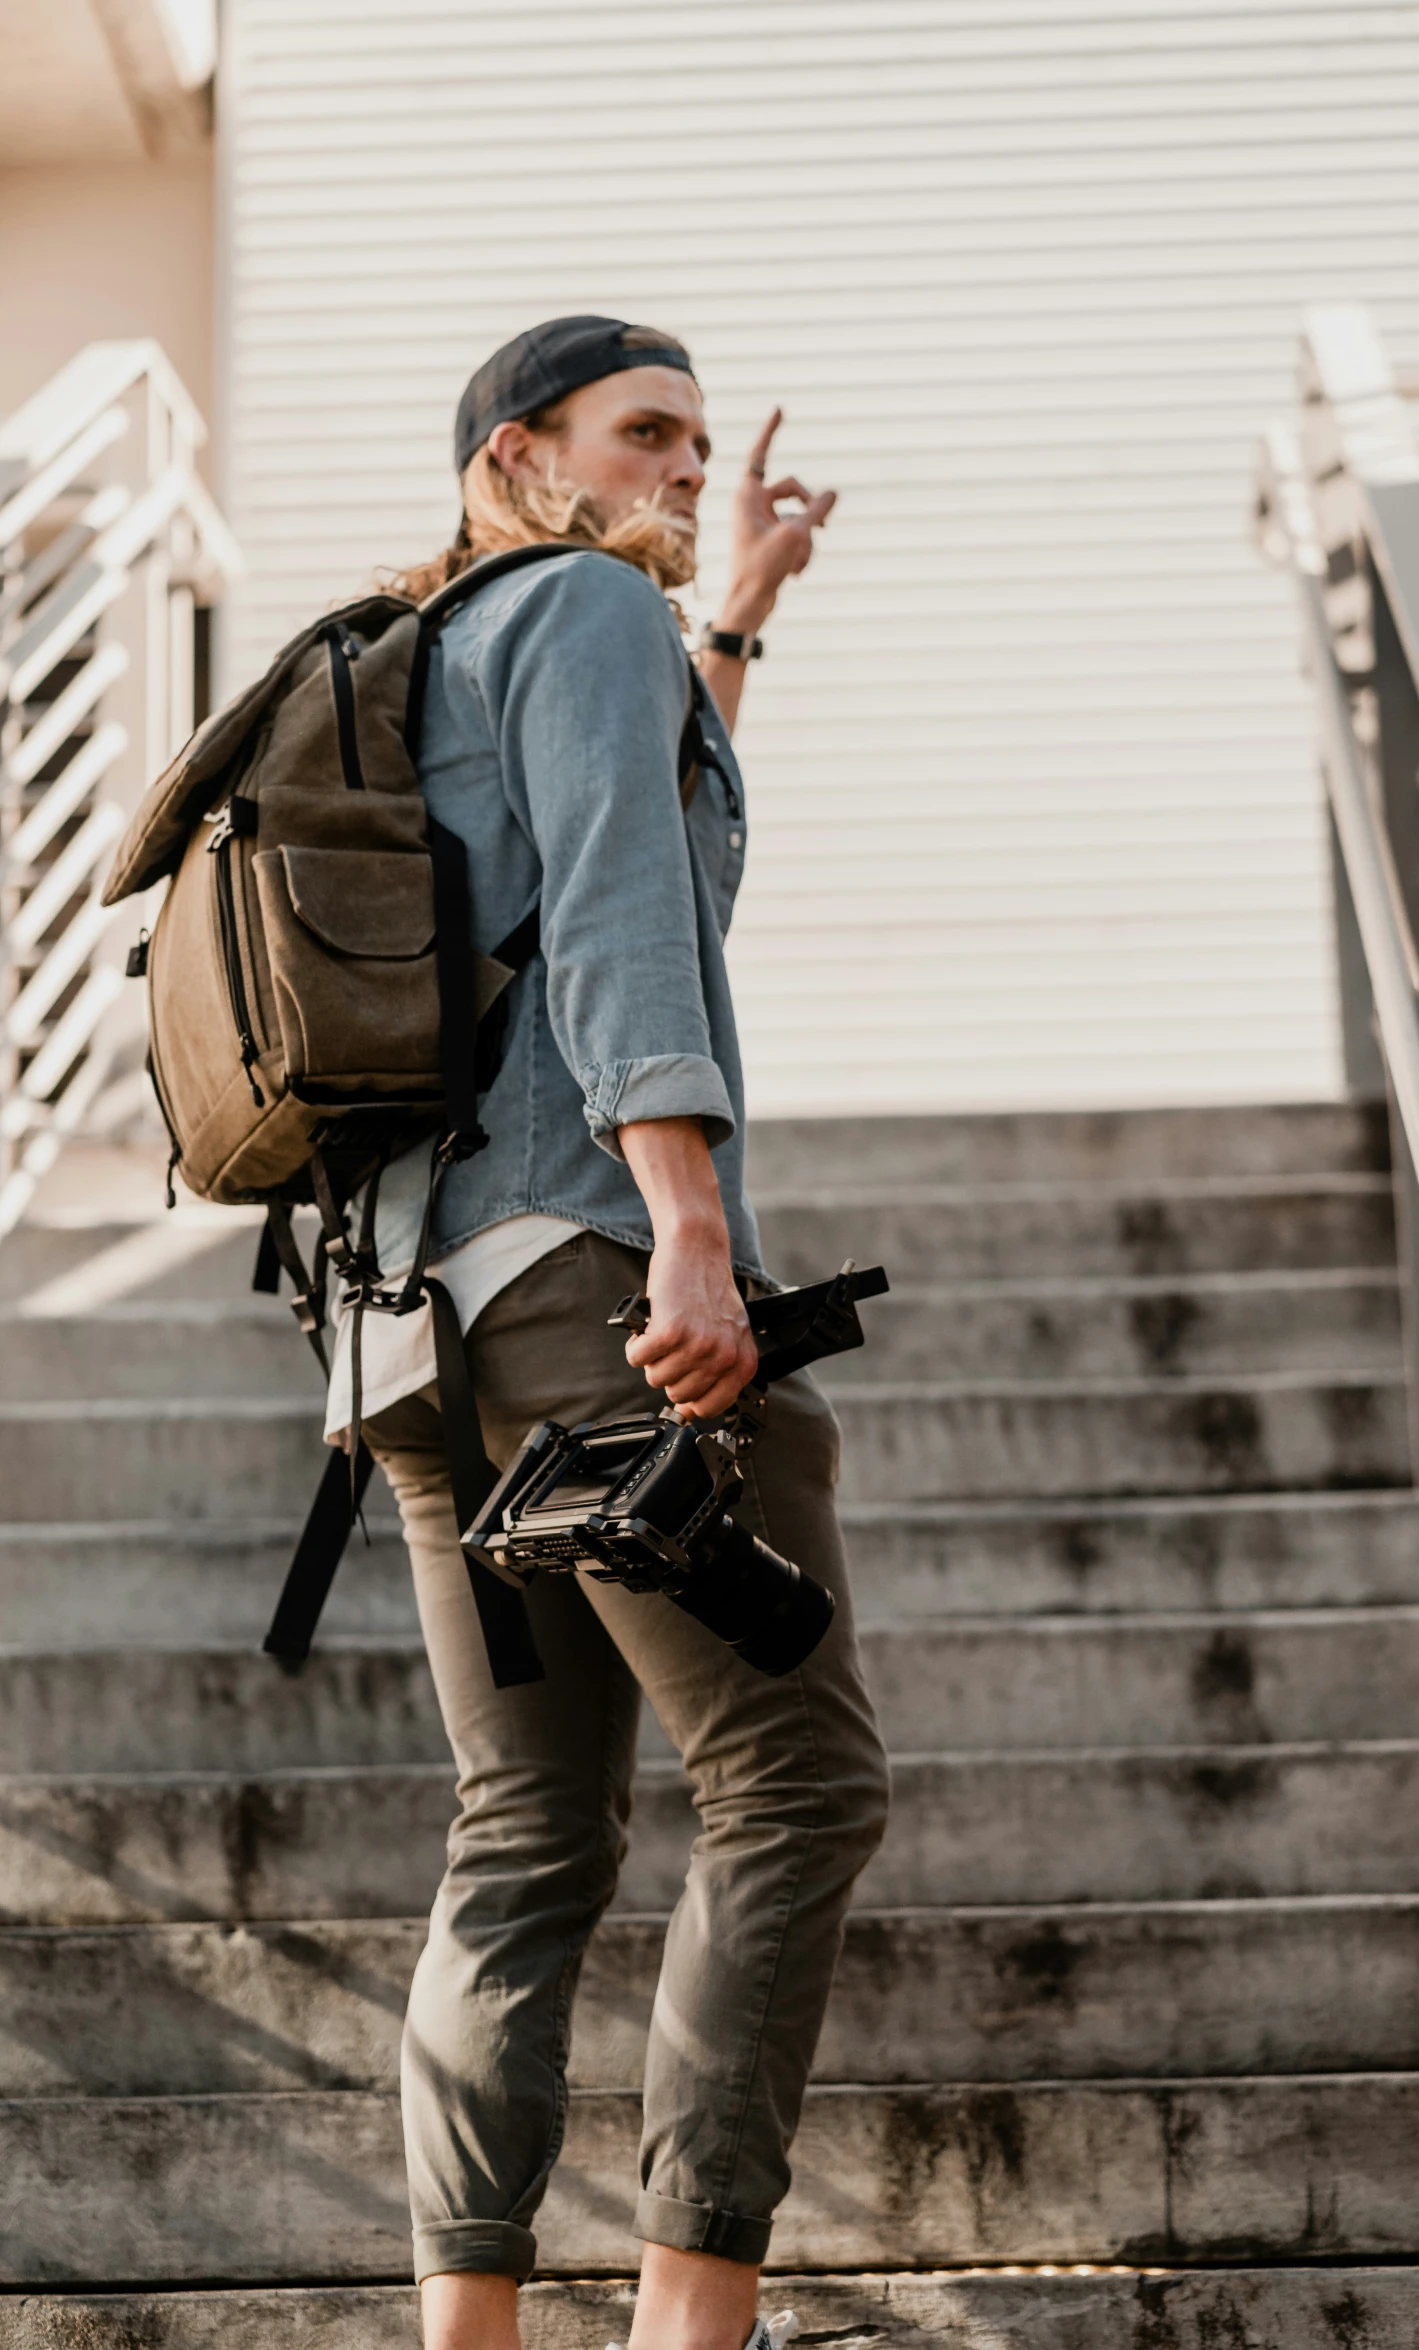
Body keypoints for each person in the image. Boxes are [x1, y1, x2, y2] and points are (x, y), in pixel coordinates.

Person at [342, 316, 891, 2350]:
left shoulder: (431, 645)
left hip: (419, 1342)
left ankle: (471, 2333)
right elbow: (618, 914)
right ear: (525, 455)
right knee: (791, 1781)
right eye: (642, 431)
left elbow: (622, 819)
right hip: (595, 1299)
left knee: (530, 1830)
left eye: (689, 429)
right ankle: (687, 2325)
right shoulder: (578, 603)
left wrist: (731, 604)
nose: (678, 457)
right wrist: (687, 1225)